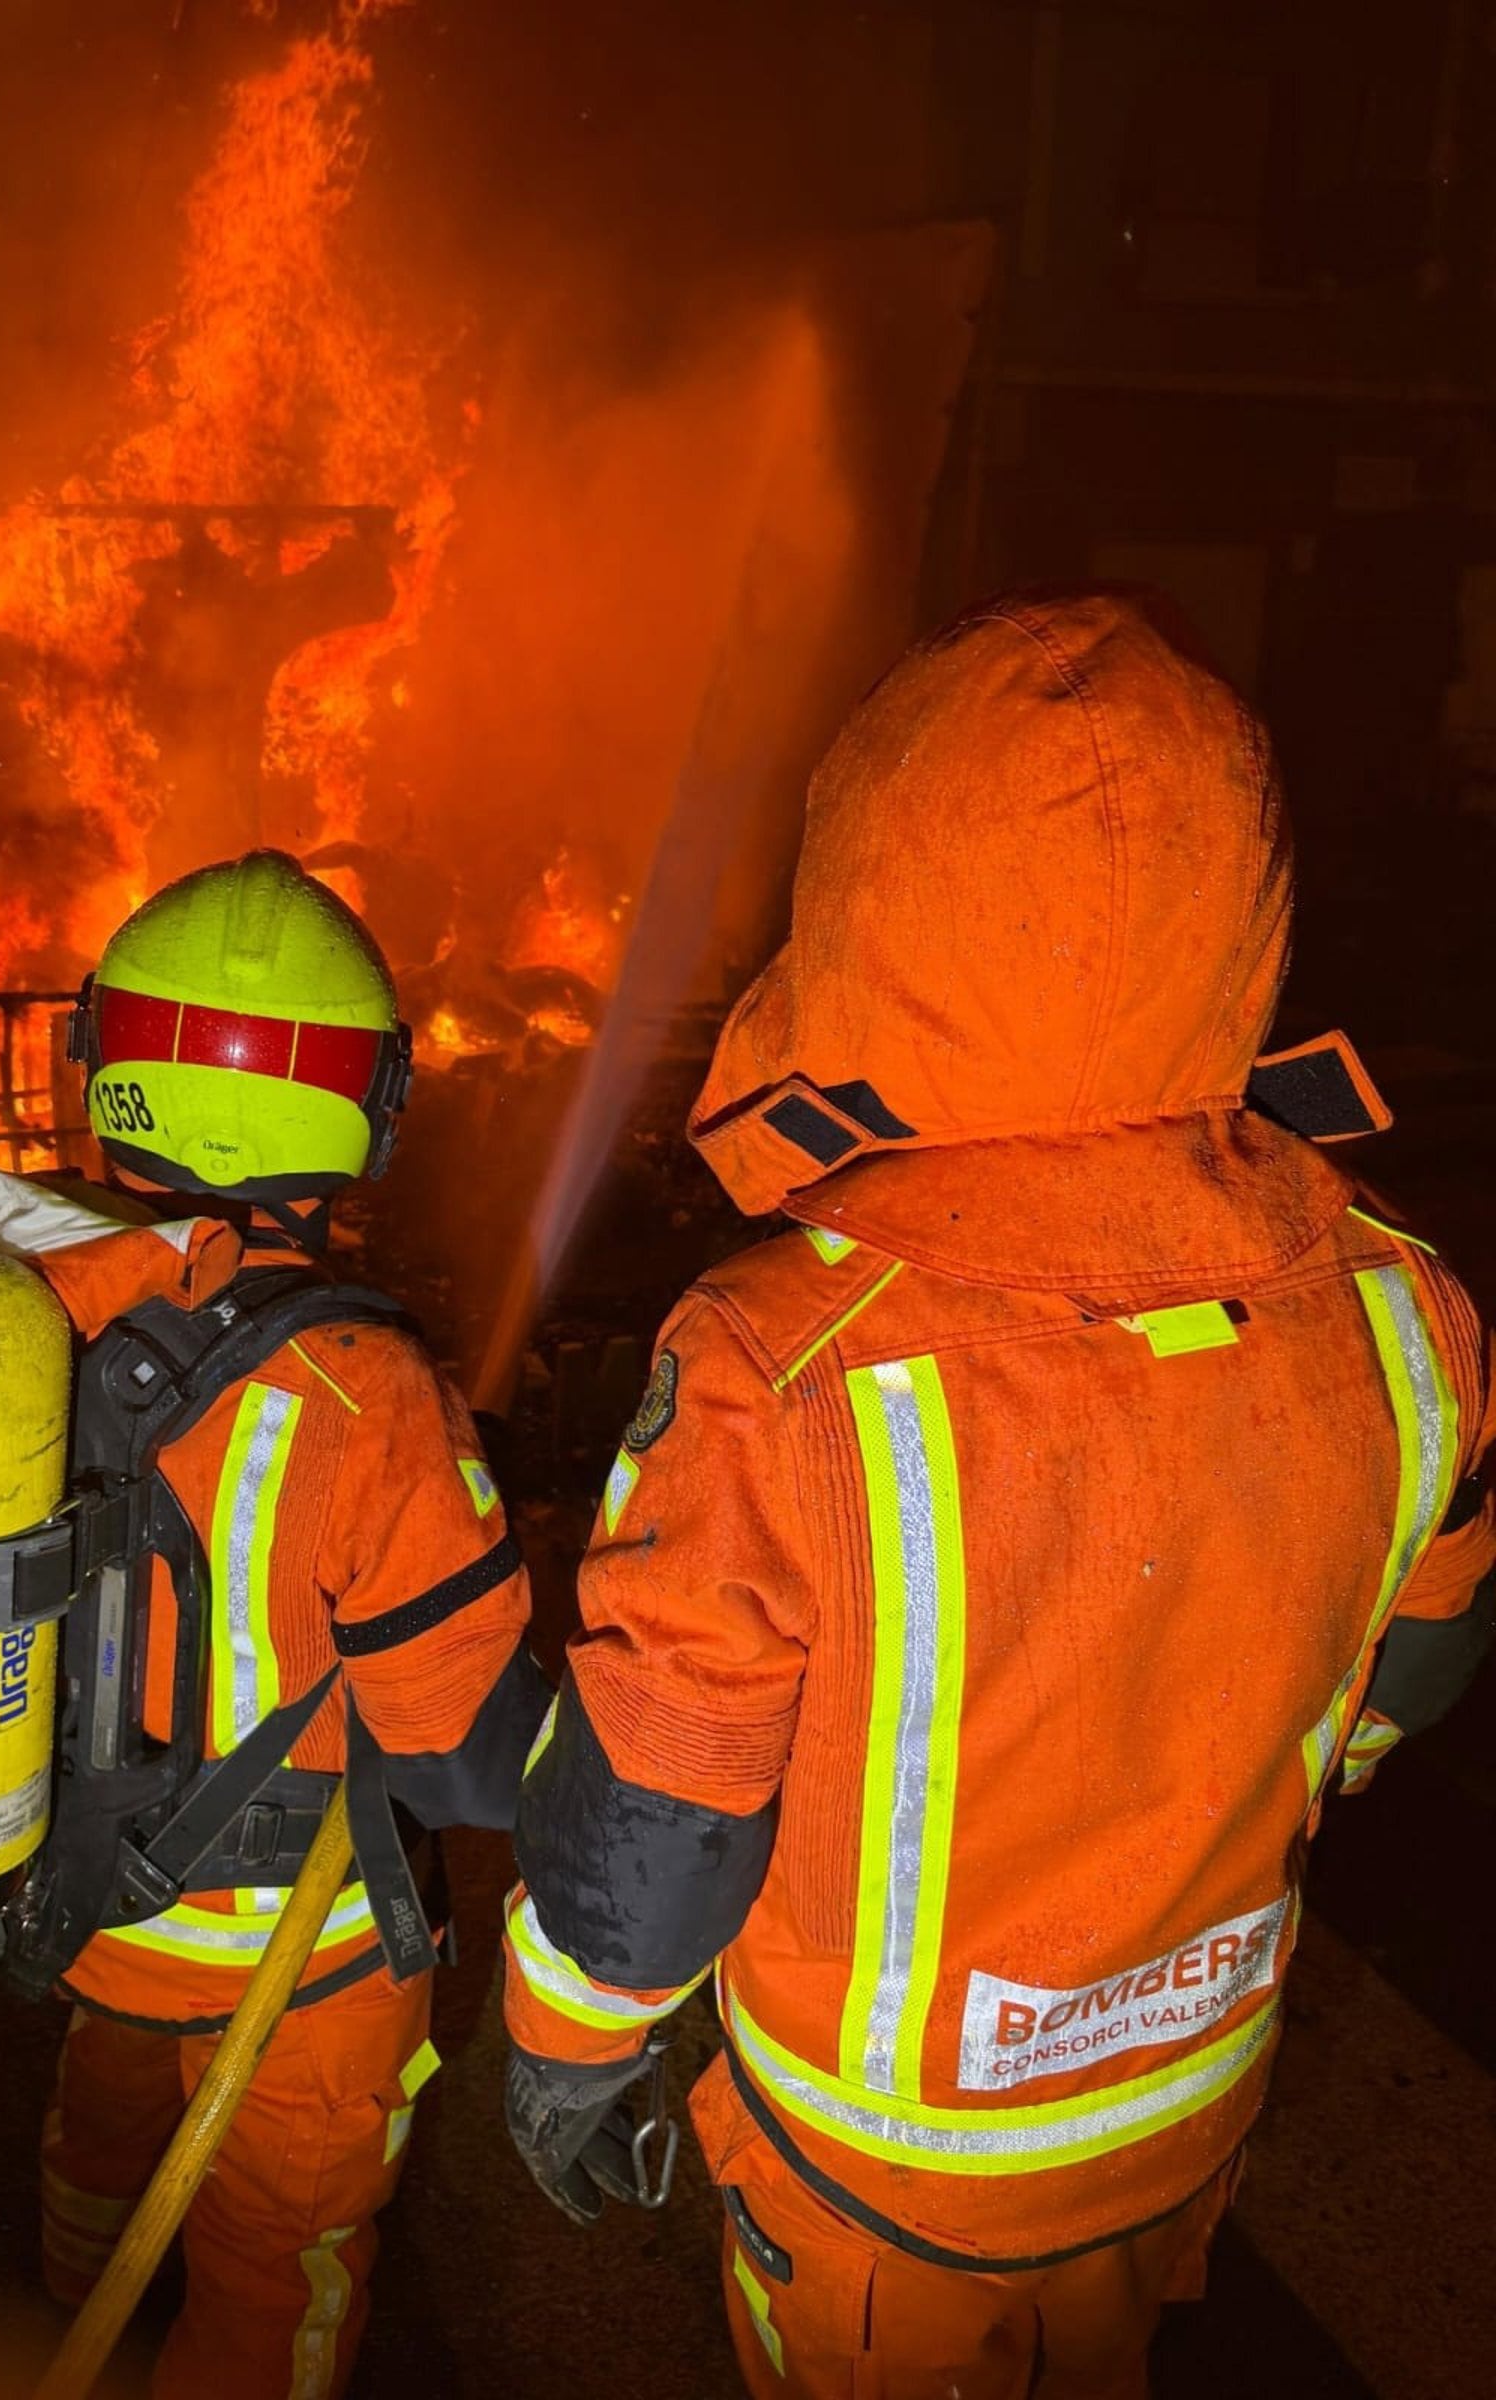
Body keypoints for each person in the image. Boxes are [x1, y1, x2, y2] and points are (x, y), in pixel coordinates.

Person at [499, 589, 1496, 2397]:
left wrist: (567, 2043)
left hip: (888, 2170)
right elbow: (1404, 1673)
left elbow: (664, 1800)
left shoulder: (779, 1358)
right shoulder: (1405, 1299)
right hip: (1183, 2112)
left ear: (879, 902)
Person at [0, 852, 545, 2400]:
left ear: (105, 1066)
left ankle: (73, 2300)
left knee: (107, 2130)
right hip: (300, 1971)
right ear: (362, 1111)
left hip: (91, 1913)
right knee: (281, 2262)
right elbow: (467, 1757)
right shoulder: (362, 1391)